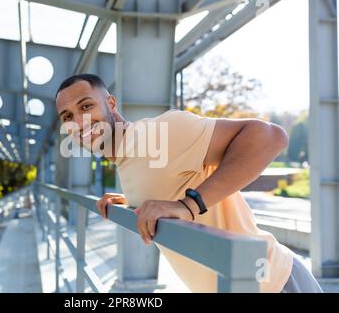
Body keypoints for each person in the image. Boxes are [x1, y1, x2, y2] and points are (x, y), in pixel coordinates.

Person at [54, 73, 323, 293]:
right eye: (67, 117)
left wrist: (188, 204)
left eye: (86, 106)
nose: (79, 122)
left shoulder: (161, 132)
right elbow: (169, 183)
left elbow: (271, 136)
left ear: (110, 103)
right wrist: (129, 204)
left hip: (275, 284)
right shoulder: (128, 159)